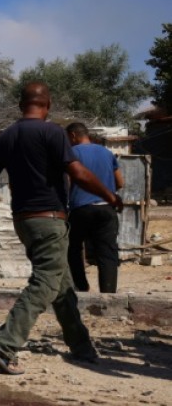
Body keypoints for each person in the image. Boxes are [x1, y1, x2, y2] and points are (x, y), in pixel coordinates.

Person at [0, 82, 123, 375]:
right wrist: (109, 195)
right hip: (49, 220)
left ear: (21, 105)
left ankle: (81, 347)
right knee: (45, 281)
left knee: (62, 284)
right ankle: (4, 345)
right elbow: (77, 172)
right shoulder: (52, 132)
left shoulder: (5, 137)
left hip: (23, 221)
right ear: (48, 104)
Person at [65, 122, 124, 294]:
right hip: (106, 209)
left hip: (80, 209)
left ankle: (81, 287)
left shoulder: (71, 153)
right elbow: (120, 182)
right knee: (107, 253)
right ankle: (108, 294)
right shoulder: (106, 152)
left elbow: (67, 183)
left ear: (73, 136)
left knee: (73, 248)